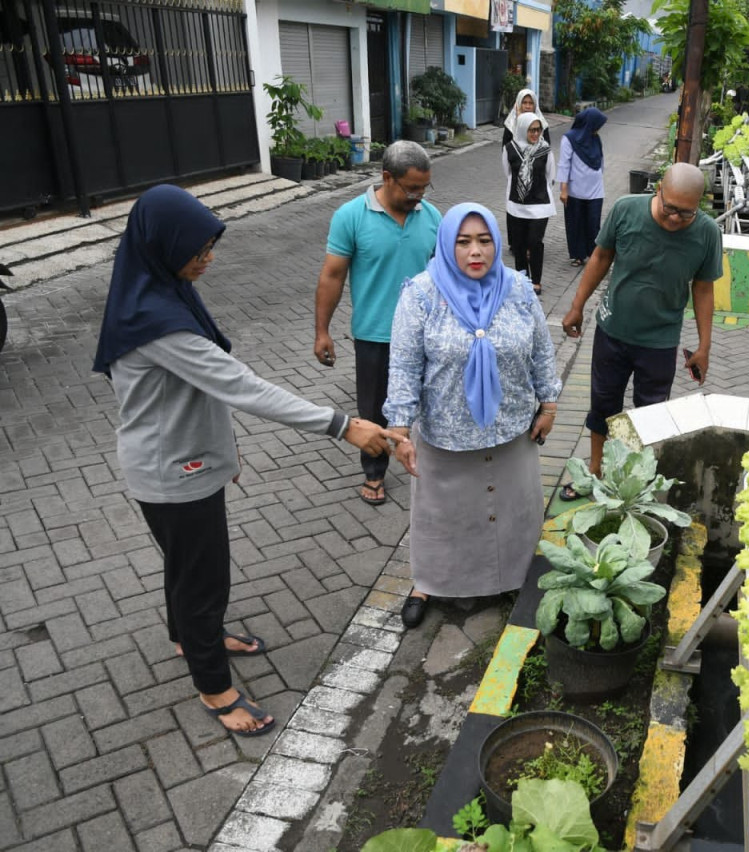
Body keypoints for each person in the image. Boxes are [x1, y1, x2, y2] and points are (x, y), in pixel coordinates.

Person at [92, 185, 395, 737]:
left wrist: (221, 455)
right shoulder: (157, 321)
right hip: (172, 473)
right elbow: (241, 387)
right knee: (201, 579)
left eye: (210, 248)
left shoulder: (162, 290)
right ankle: (215, 688)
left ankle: (188, 637)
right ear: (163, 245)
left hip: (184, 462)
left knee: (187, 569)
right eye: (198, 250)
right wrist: (342, 424)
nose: (207, 260)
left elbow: (194, 396)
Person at [384, 203, 562, 628]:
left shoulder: (518, 289)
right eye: (463, 242)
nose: (475, 252)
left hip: (511, 424)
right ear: (447, 245)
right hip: (446, 430)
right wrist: (400, 426)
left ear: (497, 243)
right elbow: (405, 364)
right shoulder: (422, 294)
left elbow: (540, 349)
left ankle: (517, 577)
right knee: (441, 515)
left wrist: (549, 402)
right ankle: (428, 581)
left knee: (517, 509)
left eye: (484, 241)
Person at [559, 162, 722, 493]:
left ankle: (630, 482)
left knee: (649, 415)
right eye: (670, 208)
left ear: (700, 204)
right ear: (659, 187)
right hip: (612, 329)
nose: (675, 218)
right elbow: (600, 257)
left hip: (660, 342)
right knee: (603, 406)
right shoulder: (626, 210)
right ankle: (595, 471)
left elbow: (703, 289)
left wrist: (704, 347)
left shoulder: (707, 233)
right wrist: (577, 306)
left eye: (686, 213)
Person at [314, 140, 442, 507]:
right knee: (374, 410)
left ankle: (430, 468)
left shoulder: (433, 218)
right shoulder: (351, 216)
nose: (419, 196)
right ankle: (374, 472)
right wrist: (322, 331)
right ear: (387, 177)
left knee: (431, 404)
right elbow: (333, 277)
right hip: (374, 334)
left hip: (425, 333)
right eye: (412, 187)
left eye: (424, 187)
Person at [502, 112, 556, 297]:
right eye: (531, 130)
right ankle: (521, 279)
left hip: (540, 205)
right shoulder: (510, 148)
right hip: (517, 205)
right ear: (523, 129)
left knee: (535, 242)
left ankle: (536, 281)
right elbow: (508, 173)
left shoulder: (545, 149)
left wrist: (536, 188)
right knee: (518, 244)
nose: (535, 134)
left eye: (538, 130)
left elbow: (550, 175)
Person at [558, 107, 607, 267]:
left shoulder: (596, 138)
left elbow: (600, 159)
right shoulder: (569, 139)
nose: (598, 129)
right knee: (575, 222)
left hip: (595, 190)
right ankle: (577, 255)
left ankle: (593, 254)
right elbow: (564, 165)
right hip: (575, 190)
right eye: (597, 125)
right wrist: (564, 189)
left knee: (593, 223)